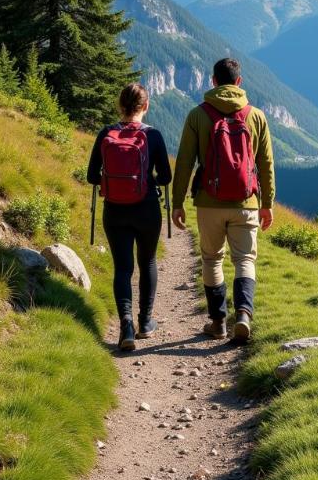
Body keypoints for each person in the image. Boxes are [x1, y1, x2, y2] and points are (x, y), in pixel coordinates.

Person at [172, 57, 275, 343]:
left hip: (209, 202)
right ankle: (243, 315)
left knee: (212, 259)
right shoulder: (256, 116)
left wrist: (177, 201)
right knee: (245, 259)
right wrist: (267, 203)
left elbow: (184, 162)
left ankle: (218, 323)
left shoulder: (197, 115)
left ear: (213, 81)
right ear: (239, 82)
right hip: (247, 202)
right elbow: (266, 164)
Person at [87, 83, 172, 351]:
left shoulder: (106, 134)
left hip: (115, 210)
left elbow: (91, 176)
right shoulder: (154, 135)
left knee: (123, 269)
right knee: (147, 261)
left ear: (119, 106)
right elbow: (167, 177)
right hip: (146, 208)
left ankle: (126, 326)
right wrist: (147, 180)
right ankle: (145, 323)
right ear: (145, 107)